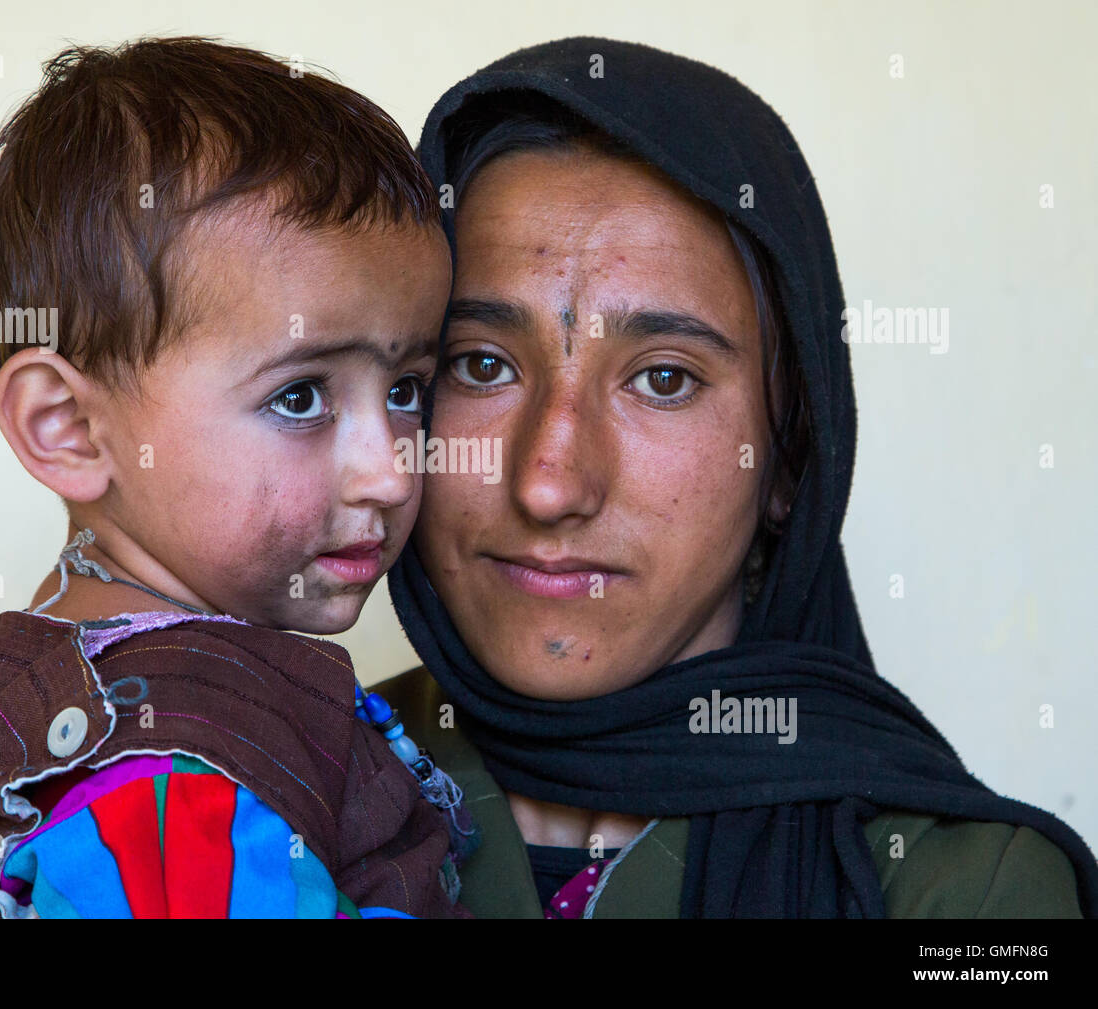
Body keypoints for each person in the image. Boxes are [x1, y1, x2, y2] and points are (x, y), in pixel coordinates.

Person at [381, 36, 1098, 917]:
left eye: (664, 379)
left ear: (789, 455)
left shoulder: (962, 893)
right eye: (481, 365)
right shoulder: (254, 787)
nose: (549, 484)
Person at [0, 37, 467, 919]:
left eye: (408, 389)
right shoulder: (164, 793)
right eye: (300, 395)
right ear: (69, 428)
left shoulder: (107, 704)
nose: (389, 471)